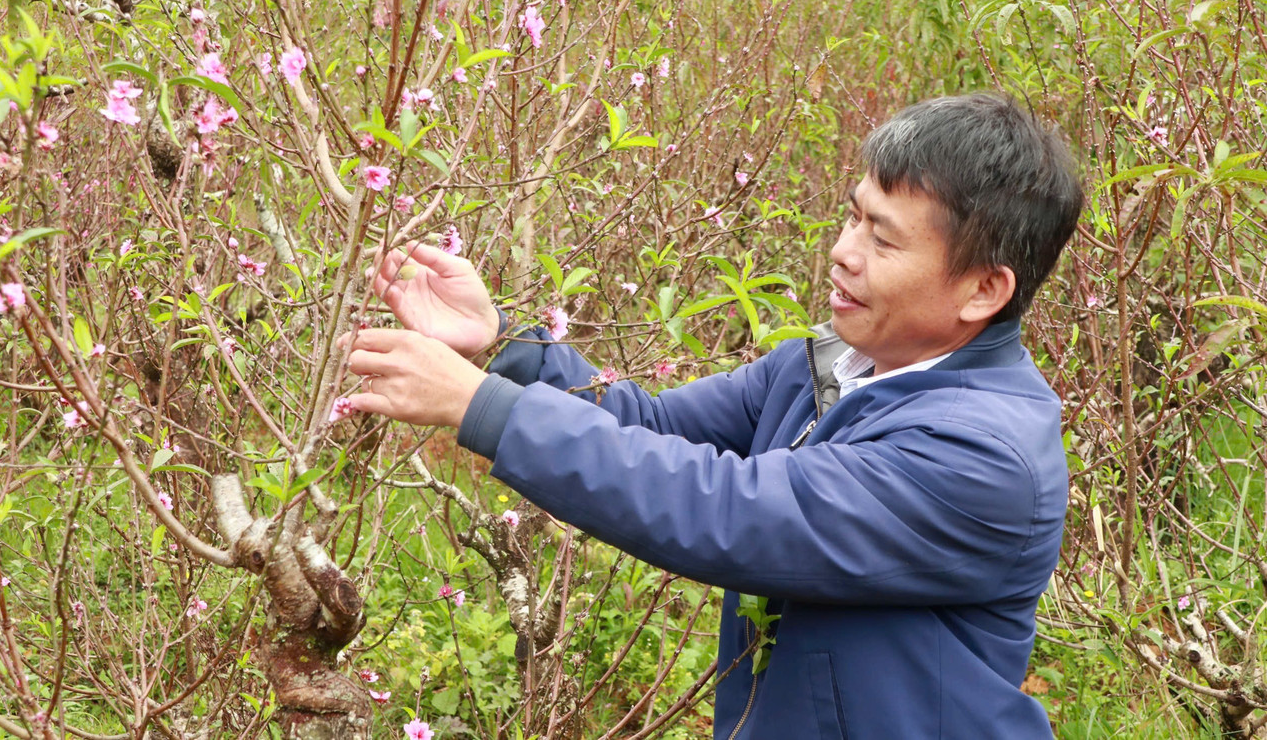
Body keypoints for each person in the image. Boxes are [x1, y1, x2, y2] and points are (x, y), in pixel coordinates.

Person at [346, 93, 1084, 739]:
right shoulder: (827, 368)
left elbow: (728, 509)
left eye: (882, 237)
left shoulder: (982, 457)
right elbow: (649, 428)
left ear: (984, 289)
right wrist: (503, 343)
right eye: (853, 218)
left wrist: (484, 407)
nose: (842, 252)